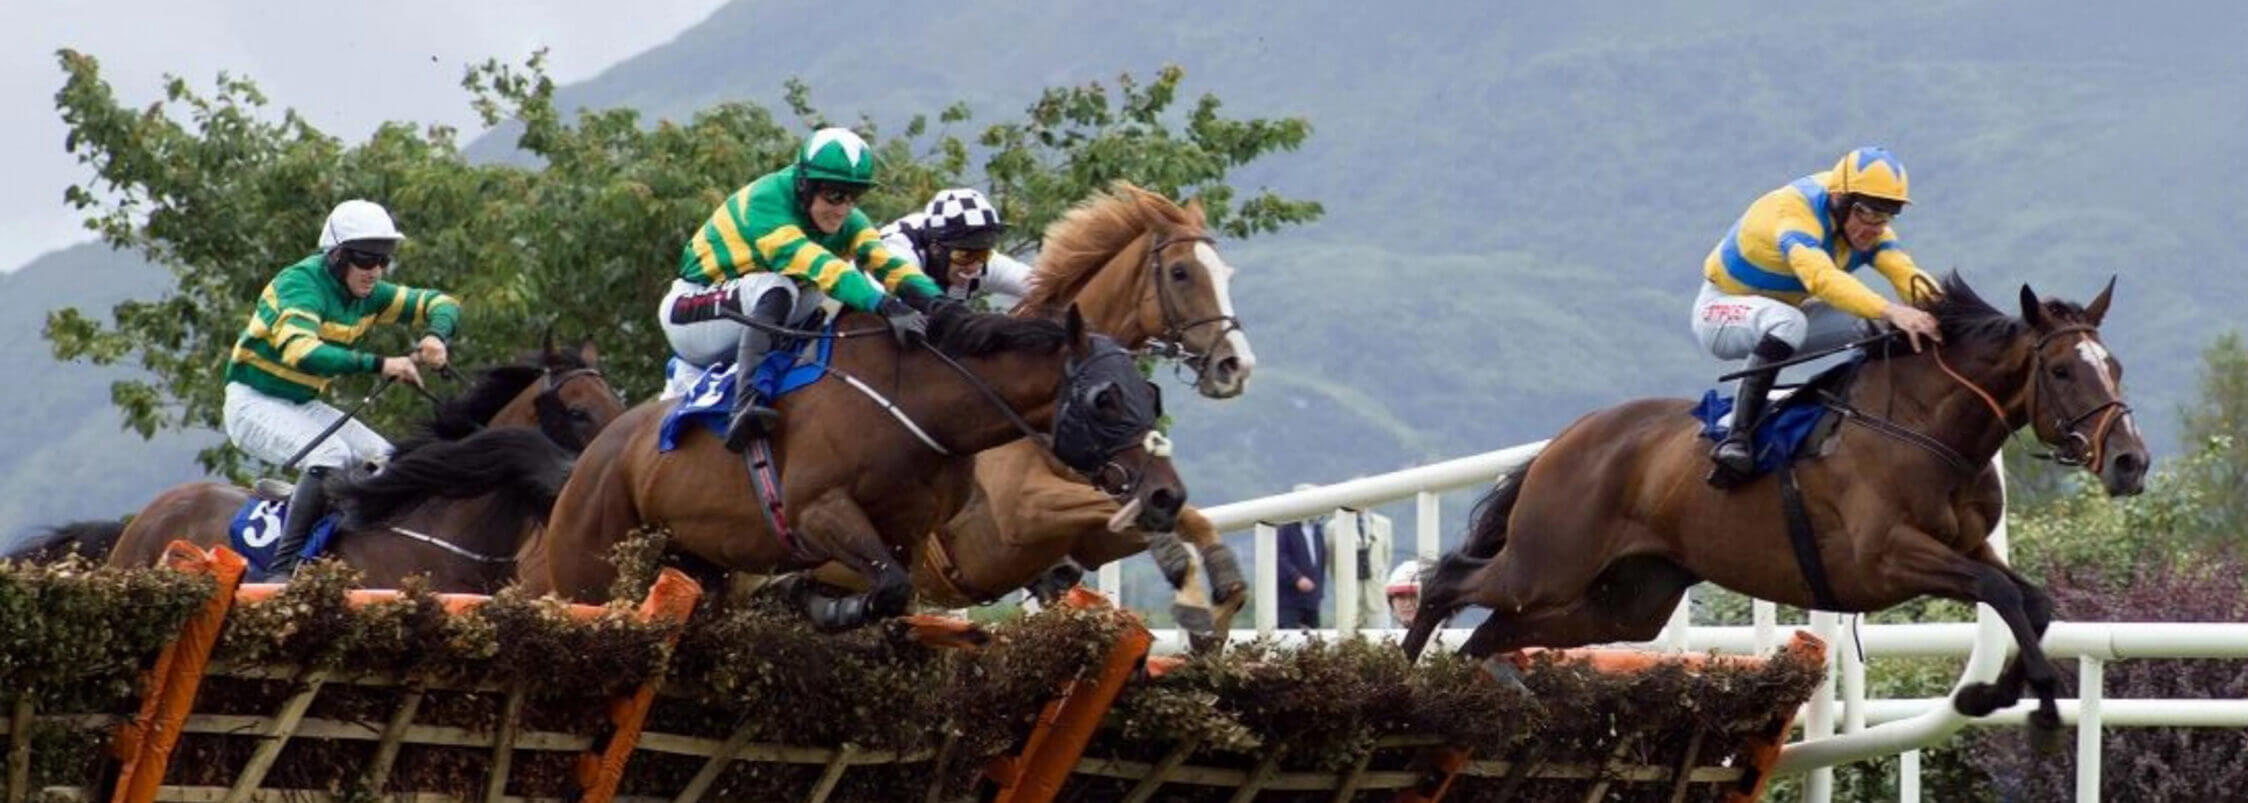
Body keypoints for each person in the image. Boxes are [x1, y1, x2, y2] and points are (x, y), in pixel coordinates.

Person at [659, 127, 945, 449]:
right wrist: (888, 307)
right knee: (786, 285)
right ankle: (746, 404)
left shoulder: (850, 220)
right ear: (803, 186)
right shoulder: (765, 202)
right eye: (835, 195)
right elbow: (818, 266)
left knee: (844, 284)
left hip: (746, 311)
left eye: (853, 196)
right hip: (689, 312)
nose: (842, 209)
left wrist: (942, 307)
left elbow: (888, 264)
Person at [222, 199, 460, 575]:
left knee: (388, 459)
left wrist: (436, 336)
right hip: (253, 403)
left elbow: (440, 302)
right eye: (366, 260)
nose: (376, 272)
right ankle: (283, 570)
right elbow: (303, 352)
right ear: (336, 256)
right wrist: (382, 364)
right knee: (330, 456)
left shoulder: (371, 294)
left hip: (300, 403)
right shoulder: (299, 284)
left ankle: (337, 551)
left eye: (384, 260)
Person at [1691, 146, 1943, 488]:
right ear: (1839, 198)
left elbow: (1904, 273)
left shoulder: (1869, 223)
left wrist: (1947, 313)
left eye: (1885, 215)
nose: (1872, 227)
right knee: (1795, 322)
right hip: (1721, 312)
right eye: (1866, 212)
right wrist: (1893, 309)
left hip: (1785, 312)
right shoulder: (1795, 210)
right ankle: (1737, 437)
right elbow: (1820, 280)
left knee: (1881, 326)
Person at [879, 187, 1035, 304]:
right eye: (964, 256)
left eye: (983, 255)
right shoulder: (897, 249)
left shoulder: (980, 261)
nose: (974, 267)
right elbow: (910, 295)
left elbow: (1040, 286)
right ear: (935, 249)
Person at [1274, 483, 1329, 629]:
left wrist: (1319, 591)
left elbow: (1321, 562)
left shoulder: (1317, 531)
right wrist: (1297, 577)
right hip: (1289, 600)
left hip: (1312, 600)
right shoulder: (1285, 528)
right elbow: (1280, 557)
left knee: (1314, 641)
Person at [1332, 504, 1394, 630]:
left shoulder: (1383, 524)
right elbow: (1332, 563)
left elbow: (1386, 558)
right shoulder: (1333, 527)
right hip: (1349, 595)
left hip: (1376, 595)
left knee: (1380, 635)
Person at [1385, 558, 1423, 630]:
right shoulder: (1381, 638)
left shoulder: (1448, 635)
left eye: (1414, 596)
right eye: (1401, 597)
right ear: (1391, 603)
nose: (1408, 604)